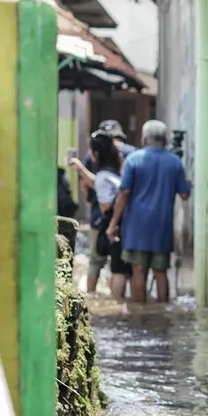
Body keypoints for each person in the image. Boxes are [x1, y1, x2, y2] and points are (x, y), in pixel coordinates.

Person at [106, 120, 190, 303]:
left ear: (144, 139)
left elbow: (124, 193)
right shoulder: (174, 162)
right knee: (160, 271)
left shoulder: (133, 159)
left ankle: (141, 312)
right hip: (162, 225)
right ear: (165, 140)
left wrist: (113, 223)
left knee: (138, 269)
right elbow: (184, 194)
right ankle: (162, 311)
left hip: (136, 226)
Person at [76, 120, 136, 293]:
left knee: (98, 262)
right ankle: (126, 303)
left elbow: (88, 187)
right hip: (128, 221)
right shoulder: (131, 154)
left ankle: (94, 298)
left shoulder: (99, 168)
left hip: (107, 221)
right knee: (124, 267)